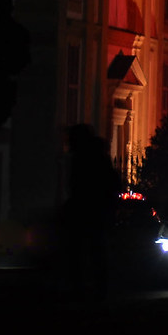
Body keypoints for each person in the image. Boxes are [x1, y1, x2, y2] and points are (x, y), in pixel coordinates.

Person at [59, 127, 120, 299]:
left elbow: (78, 187)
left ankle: (84, 288)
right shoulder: (98, 158)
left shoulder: (83, 159)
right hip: (94, 212)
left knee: (83, 251)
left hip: (87, 211)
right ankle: (96, 288)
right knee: (94, 251)